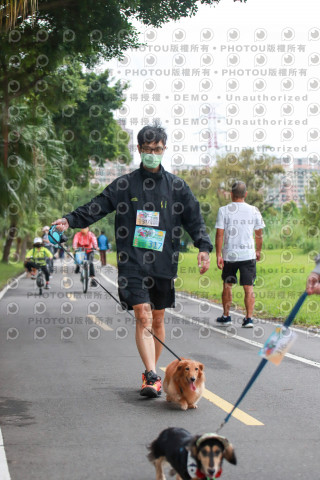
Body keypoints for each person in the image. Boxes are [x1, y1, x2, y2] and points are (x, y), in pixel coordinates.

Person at [52, 123, 213, 398]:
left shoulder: (176, 186)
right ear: (139, 149)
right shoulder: (125, 184)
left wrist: (204, 246)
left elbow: (194, 217)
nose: (153, 153)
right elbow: (98, 204)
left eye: (158, 149)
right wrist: (69, 220)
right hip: (132, 260)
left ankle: (156, 375)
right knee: (143, 314)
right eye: (148, 149)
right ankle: (151, 374)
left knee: (158, 318)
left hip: (163, 261)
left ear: (164, 149)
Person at [215, 181, 265, 328]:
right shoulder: (254, 210)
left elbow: (219, 235)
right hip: (248, 255)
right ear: (246, 194)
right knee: (249, 288)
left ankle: (226, 316)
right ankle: (249, 319)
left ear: (231, 194)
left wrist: (218, 255)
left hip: (230, 255)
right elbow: (259, 234)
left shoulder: (223, 210)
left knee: (227, 286)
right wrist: (258, 251)